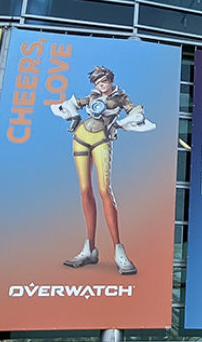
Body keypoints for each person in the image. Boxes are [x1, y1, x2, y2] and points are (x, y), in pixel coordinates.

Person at [49, 65, 154, 274]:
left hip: (102, 140)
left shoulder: (120, 97)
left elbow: (134, 111)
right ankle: (89, 248)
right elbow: (74, 104)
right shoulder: (93, 95)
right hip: (80, 137)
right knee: (85, 190)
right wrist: (71, 113)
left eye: (103, 82)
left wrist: (124, 122)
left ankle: (118, 249)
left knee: (104, 190)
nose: (101, 86)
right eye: (97, 83)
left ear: (110, 80)